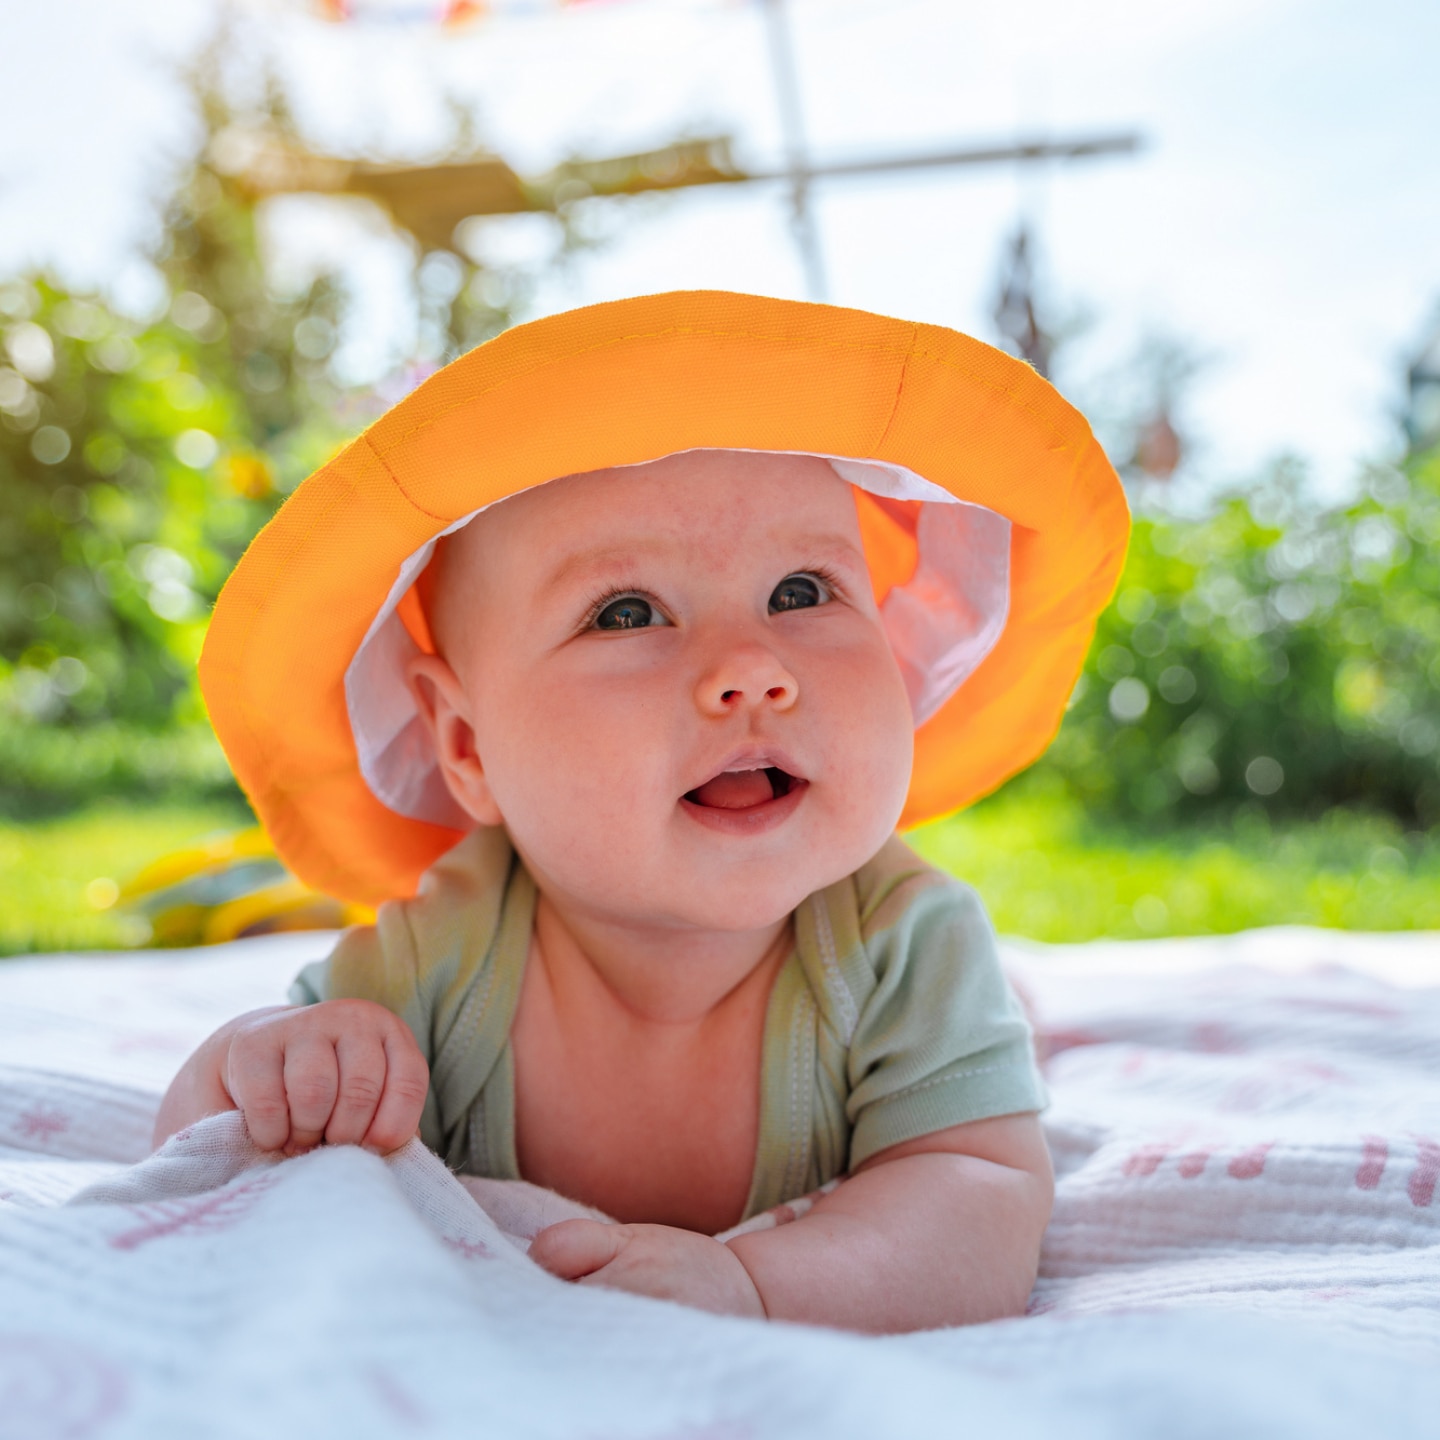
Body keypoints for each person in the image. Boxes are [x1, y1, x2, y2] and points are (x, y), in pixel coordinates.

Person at [155, 291, 1128, 1333]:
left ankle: (1008, 1020)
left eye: (802, 591)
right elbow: (211, 1146)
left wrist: (757, 1286)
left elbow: (981, 1206)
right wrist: (261, 1058)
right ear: (466, 745)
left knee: (986, 1048)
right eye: (627, 613)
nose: (751, 670)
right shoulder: (440, 959)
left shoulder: (900, 943)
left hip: (913, 1014)